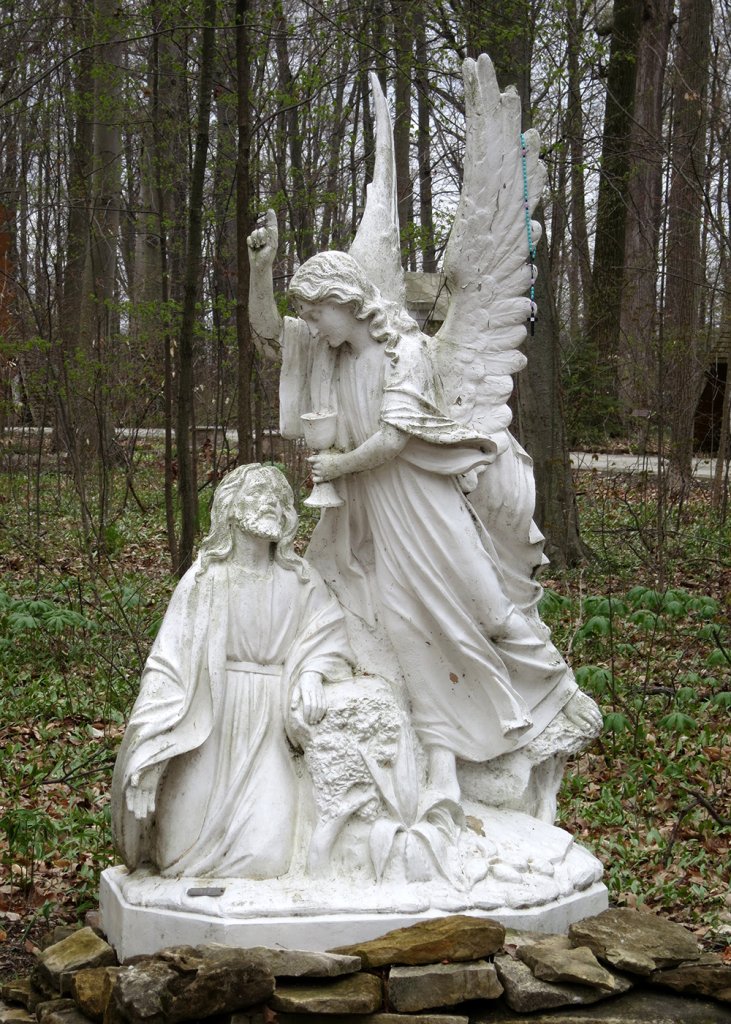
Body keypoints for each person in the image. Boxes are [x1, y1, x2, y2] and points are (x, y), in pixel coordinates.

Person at [248, 226, 601, 802]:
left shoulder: (404, 352)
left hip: (424, 505)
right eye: (307, 317)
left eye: (317, 313)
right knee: (410, 633)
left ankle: (558, 696)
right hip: (373, 517)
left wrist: (337, 468)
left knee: (483, 605)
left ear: (345, 300)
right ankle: (442, 762)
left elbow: (391, 442)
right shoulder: (330, 355)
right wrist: (262, 271)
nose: (311, 326)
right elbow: (268, 333)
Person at [111, 464, 353, 877]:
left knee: (266, 858)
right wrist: (149, 754)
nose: (272, 505)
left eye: (280, 499)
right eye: (260, 495)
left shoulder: (300, 581)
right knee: (174, 856)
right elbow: (167, 667)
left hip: (271, 724)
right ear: (230, 507)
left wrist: (313, 672)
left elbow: (328, 634)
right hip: (211, 720)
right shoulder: (205, 581)